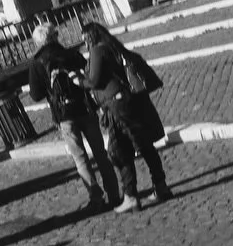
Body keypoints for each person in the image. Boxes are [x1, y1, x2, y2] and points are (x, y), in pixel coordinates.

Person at [28, 22, 120, 212]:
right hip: (85, 108)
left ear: (38, 42)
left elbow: (35, 95)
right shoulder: (71, 54)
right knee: (100, 153)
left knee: (80, 159)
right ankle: (114, 194)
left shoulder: (36, 64)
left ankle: (96, 197)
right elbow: (87, 74)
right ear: (55, 36)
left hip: (63, 115)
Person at [82, 21, 172, 212]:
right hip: (128, 102)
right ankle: (160, 186)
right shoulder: (114, 47)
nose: (84, 43)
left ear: (90, 37)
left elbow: (94, 80)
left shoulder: (98, 51)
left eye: (85, 38)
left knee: (119, 151)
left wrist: (79, 80)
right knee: (144, 145)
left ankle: (131, 196)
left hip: (116, 107)